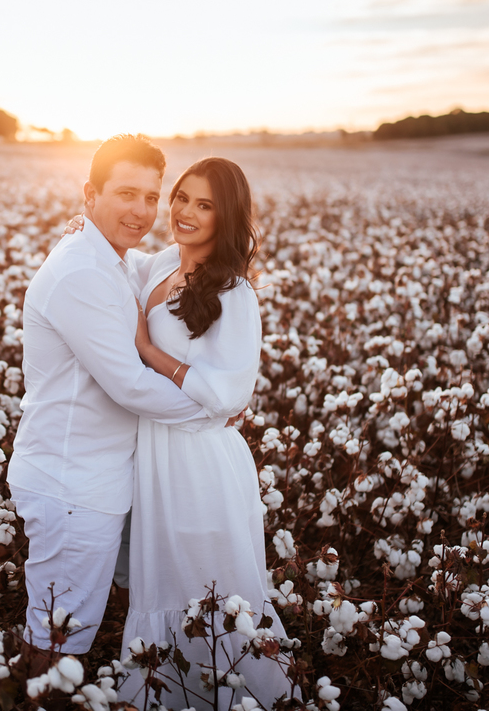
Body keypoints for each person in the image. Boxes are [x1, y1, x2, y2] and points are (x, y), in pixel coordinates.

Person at [6, 134, 211, 663]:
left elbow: (159, 263)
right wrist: (213, 408)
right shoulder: (82, 271)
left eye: (151, 197)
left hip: (97, 478)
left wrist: (214, 230)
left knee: (74, 629)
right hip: (71, 484)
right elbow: (129, 384)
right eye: (125, 194)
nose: (141, 211)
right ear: (90, 194)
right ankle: (30, 697)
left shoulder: (110, 259)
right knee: (56, 642)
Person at [118, 157, 295, 710]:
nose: (185, 213)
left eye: (204, 205)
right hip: (158, 454)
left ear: (227, 216)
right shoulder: (161, 263)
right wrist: (83, 226)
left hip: (200, 462)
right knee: (165, 586)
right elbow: (114, 261)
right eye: (181, 198)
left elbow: (228, 395)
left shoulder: (234, 292)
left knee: (211, 588)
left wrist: (149, 352)